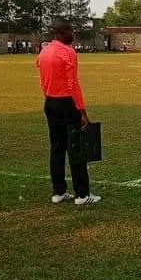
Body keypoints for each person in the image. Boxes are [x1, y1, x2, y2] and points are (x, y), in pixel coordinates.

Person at [37, 19, 100, 206]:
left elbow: (42, 79)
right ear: (61, 32)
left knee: (57, 148)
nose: (73, 34)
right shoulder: (68, 52)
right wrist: (83, 112)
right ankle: (82, 194)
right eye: (70, 31)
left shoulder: (44, 51)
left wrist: (49, 97)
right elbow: (73, 84)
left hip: (50, 102)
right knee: (76, 148)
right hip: (67, 104)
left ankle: (58, 191)